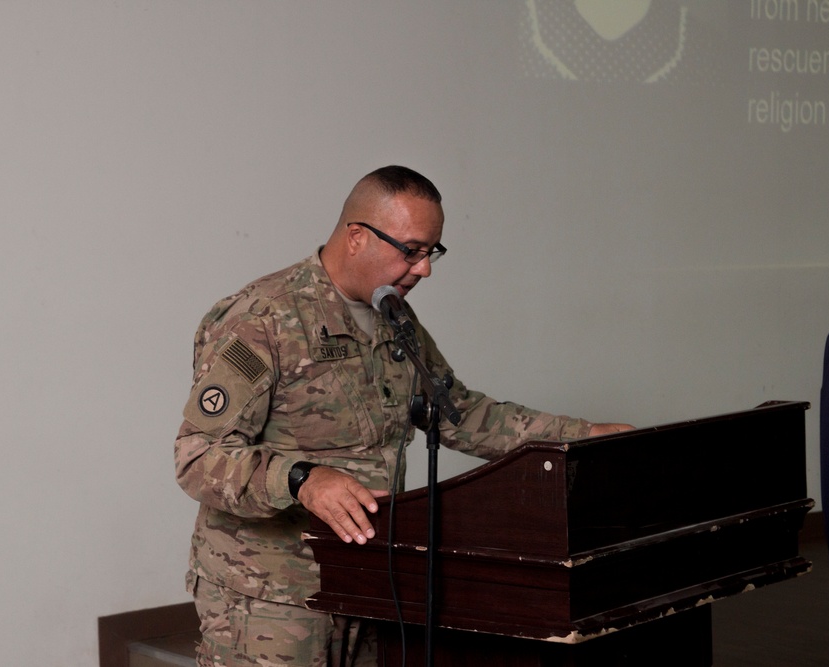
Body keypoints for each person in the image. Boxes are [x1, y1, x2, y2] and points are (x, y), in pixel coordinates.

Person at [174, 165, 631, 666]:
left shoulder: (393, 317)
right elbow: (199, 457)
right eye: (410, 250)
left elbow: (458, 412)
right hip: (269, 595)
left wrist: (582, 436)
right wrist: (302, 478)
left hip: (370, 576)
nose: (424, 268)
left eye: (431, 251)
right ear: (356, 237)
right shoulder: (261, 319)